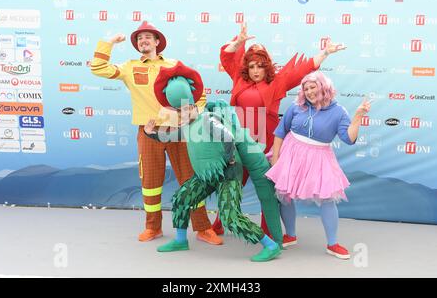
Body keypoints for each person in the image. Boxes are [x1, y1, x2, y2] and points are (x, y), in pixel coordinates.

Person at [90, 21, 222, 245]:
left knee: (190, 181)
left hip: (179, 131)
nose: (144, 41)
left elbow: (198, 92)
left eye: (148, 37)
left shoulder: (174, 64)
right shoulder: (129, 67)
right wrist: (109, 42)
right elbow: (97, 68)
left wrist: (194, 111)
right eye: (140, 38)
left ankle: (202, 228)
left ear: (157, 42)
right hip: (148, 132)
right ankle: (153, 227)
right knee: (150, 182)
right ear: (137, 44)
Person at [213, 22, 346, 242]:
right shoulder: (239, 77)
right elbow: (226, 58)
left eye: (260, 66)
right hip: (238, 142)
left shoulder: (277, 82)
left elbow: (302, 70)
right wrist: (236, 44)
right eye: (252, 66)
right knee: (231, 184)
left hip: (265, 144)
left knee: (267, 190)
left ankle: (270, 232)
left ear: (267, 67)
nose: (256, 70)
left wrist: (324, 53)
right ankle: (219, 223)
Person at [144, 61, 282, 261]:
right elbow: (167, 137)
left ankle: (270, 245)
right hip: (205, 176)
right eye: (179, 111)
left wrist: (230, 160)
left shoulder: (208, 119)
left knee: (230, 217)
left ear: (193, 105)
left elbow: (228, 137)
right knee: (182, 199)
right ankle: (181, 240)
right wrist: (151, 133)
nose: (183, 114)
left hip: (227, 174)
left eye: (186, 108)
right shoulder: (187, 127)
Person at [265, 71, 371, 259]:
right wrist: (276, 161)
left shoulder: (339, 112)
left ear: (323, 87)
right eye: (306, 89)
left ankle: (333, 243)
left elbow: (349, 138)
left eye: (313, 87)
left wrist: (357, 117)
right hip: (291, 153)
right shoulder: (296, 107)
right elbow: (280, 132)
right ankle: (290, 234)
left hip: (319, 157)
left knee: (328, 199)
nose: (309, 92)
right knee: (284, 195)